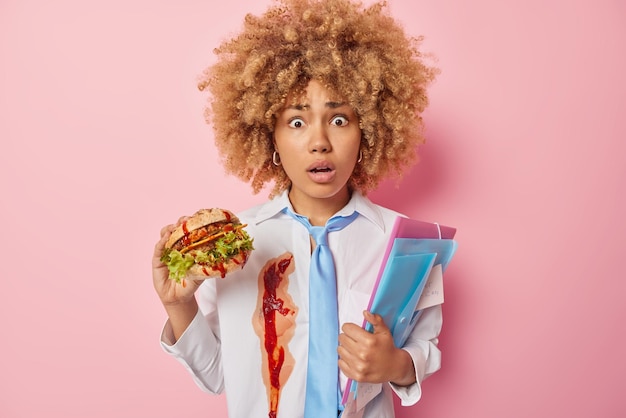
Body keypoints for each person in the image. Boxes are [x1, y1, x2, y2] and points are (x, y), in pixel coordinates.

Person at [152, 0, 442, 417]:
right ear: (268, 136)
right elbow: (218, 374)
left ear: (370, 132)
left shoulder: (407, 244)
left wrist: (397, 364)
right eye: (297, 121)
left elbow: (424, 349)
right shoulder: (237, 244)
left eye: (340, 119)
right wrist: (179, 306)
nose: (320, 141)